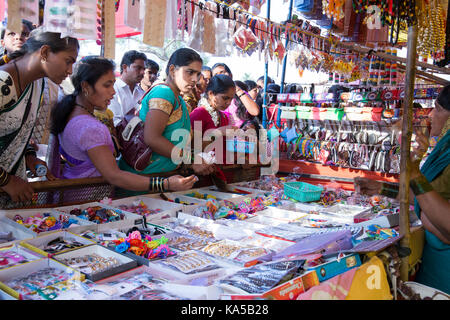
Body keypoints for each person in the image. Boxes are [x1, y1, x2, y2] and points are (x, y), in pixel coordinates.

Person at [50, 56, 197, 193]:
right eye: (107, 85)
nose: (113, 92)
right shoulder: (90, 128)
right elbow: (114, 176)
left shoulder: (72, 115)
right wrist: (165, 184)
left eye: (113, 85)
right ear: (86, 87)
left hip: (75, 195)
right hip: (88, 200)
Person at [354, 84, 450, 294]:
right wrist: (382, 188)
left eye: (439, 109)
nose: (432, 115)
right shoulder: (444, 148)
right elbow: (423, 196)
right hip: (433, 268)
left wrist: (415, 173)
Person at [0, 29, 79, 202]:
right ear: (44, 52)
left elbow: (18, 127)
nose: (70, 71)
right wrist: (6, 181)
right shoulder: (3, 83)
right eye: (68, 61)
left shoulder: (38, 84)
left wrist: (28, 155)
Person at [119, 47, 215, 177]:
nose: (194, 79)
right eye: (189, 72)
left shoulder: (179, 100)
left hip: (164, 177)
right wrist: (191, 159)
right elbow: (152, 138)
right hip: (145, 180)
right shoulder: (164, 93)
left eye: (197, 74)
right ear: (172, 70)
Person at [190, 74, 236, 163]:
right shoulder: (199, 114)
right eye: (225, 98)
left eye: (231, 99)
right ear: (211, 94)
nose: (228, 103)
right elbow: (193, 149)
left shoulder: (224, 116)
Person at [108, 50, 147, 126]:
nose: (142, 72)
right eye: (138, 68)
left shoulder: (141, 93)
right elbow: (114, 122)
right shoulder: (113, 90)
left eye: (144, 69)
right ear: (125, 67)